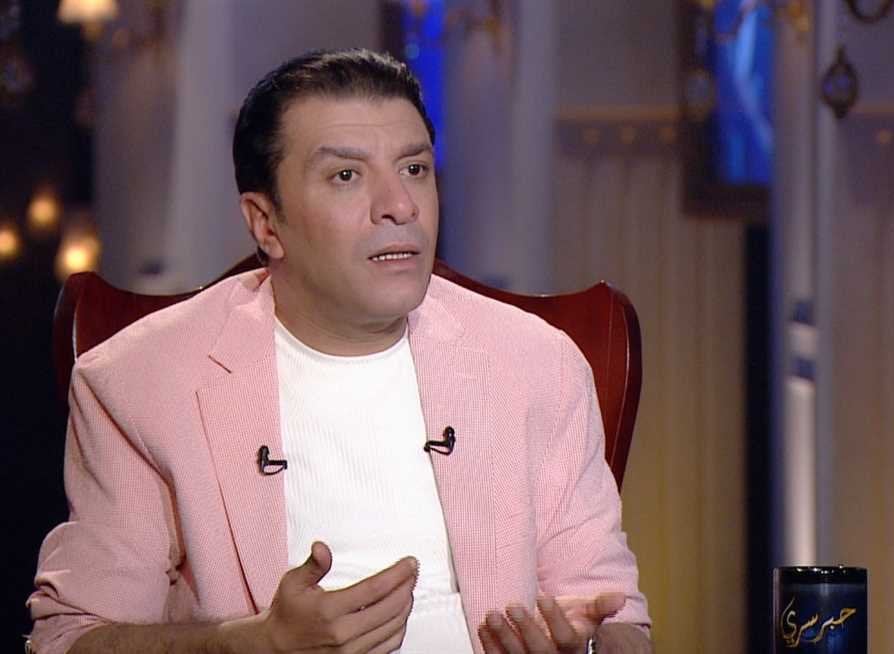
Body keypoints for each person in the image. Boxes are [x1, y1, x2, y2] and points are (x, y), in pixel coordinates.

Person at [28, 48, 651, 653]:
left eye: (415, 169)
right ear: (266, 223)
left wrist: (588, 647)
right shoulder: (142, 382)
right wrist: (254, 645)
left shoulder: (538, 363)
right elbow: (69, 639)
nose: (400, 206)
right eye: (347, 176)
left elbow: (620, 622)